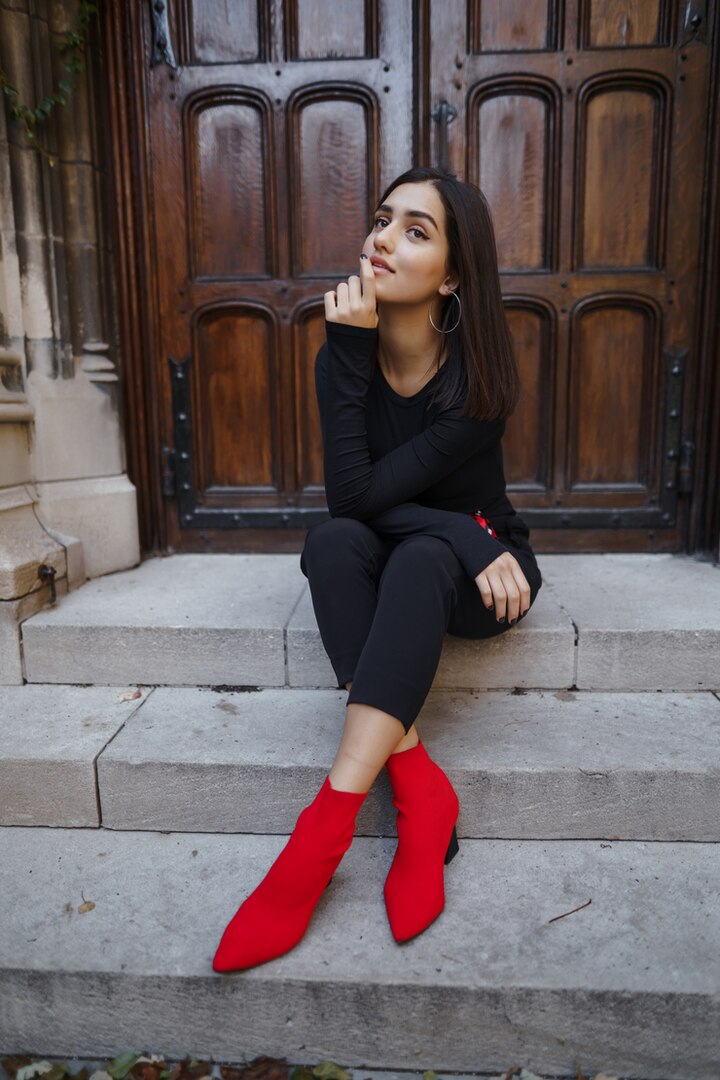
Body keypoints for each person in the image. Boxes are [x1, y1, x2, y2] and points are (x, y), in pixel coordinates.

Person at [212, 166, 542, 973]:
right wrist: (352, 353)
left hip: (482, 574)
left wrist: (472, 541)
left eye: (416, 231)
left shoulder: (478, 380)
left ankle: (318, 839)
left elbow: (368, 497)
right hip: (438, 542)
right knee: (329, 547)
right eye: (383, 219)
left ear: (454, 275)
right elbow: (351, 505)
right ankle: (422, 792)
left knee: (422, 552)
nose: (383, 239)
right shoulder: (344, 357)